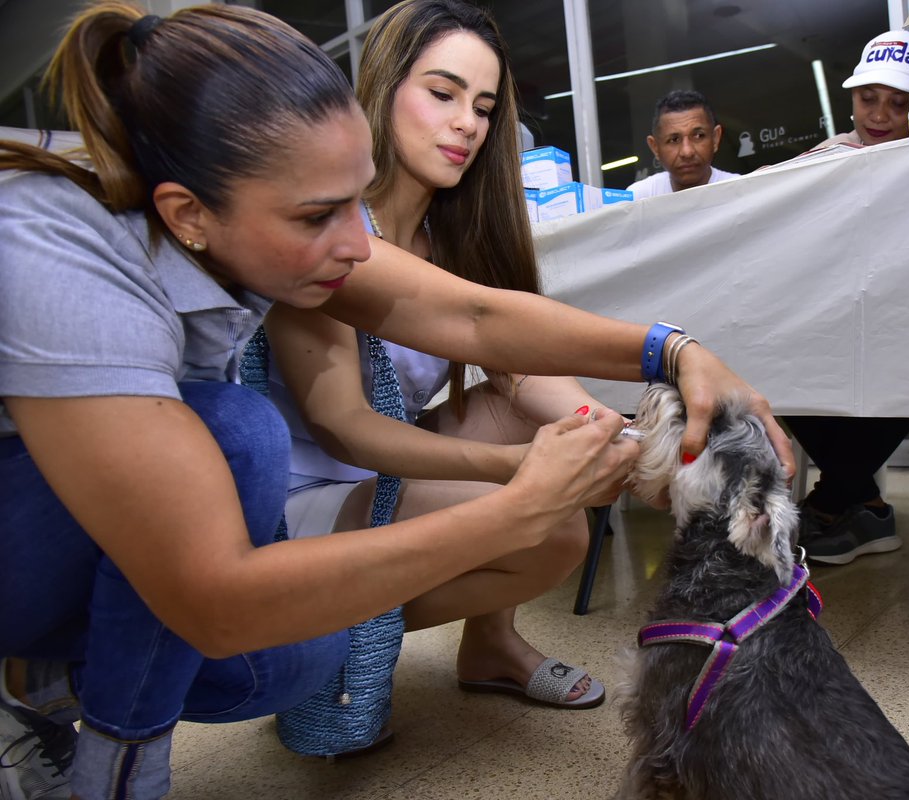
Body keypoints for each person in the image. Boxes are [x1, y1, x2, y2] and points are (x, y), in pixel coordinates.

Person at [0, 3, 795, 799]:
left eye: (483, 106)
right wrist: (515, 499)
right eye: (319, 215)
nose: (355, 246)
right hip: (96, 521)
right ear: (187, 215)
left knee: (293, 662)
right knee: (239, 438)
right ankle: (105, 756)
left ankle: (56, 667)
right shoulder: (55, 260)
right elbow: (217, 603)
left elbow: (473, 320)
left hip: (154, 512)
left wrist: (673, 356)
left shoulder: (263, 221)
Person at [265, 0, 606, 720]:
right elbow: (344, 428)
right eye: (442, 93)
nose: (467, 124)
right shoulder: (327, 223)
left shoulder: (452, 232)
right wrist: (517, 473)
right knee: (551, 522)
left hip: (377, 476)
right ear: (383, 90)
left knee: (534, 419)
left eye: (483, 107)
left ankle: (489, 644)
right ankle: (319, 631)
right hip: (300, 496)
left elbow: (520, 369)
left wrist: (609, 434)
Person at [783, 31, 909, 565]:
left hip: (906, 324)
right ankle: (864, 503)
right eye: (869, 98)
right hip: (840, 320)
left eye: (898, 102)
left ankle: (832, 499)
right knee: (780, 368)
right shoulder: (828, 157)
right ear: (851, 99)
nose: (880, 115)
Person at [625, 89, 738, 200]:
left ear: (715, 138)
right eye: (674, 140)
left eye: (699, 136)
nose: (687, 152)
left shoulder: (740, 190)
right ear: (655, 147)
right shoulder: (638, 199)